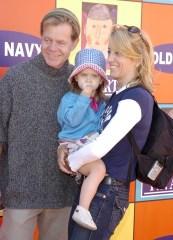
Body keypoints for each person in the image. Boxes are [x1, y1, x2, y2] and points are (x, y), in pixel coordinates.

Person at [58, 24, 155, 240]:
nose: (110, 58)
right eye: (110, 51)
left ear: (137, 58)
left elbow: (100, 147)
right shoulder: (119, 95)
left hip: (108, 192)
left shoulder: (136, 98)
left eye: (118, 53)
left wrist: (70, 161)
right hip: (95, 187)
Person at [0, 7, 80, 240]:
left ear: (74, 43)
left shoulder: (80, 82)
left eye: (61, 42)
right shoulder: (15, 78)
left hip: (63, 194)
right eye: (48, 40)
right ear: (41, 37)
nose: (53, 48)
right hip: (19, 194)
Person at [57, 48, 109, 231]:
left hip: (90, 143)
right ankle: (83, 209)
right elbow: (71, 121)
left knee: (102, 168)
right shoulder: (69, 99)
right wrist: (84, 98)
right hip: (73, 144)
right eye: (84, 75)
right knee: (99, 169)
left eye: (94, 76)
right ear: (76, 78)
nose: (88, 79)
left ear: (101, 80)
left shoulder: (102, 103)